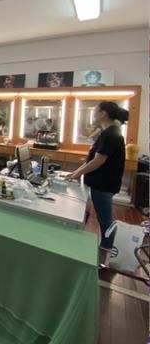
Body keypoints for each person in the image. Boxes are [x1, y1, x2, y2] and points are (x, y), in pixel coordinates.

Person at [66, 102, 127, 267]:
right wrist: (76, 172)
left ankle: (105, 253)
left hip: (103, 184)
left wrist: (78, 173)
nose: (93, 113)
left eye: (96, 110)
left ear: (103, 113)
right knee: (103, 218)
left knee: (105, 220)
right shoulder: (107, 132)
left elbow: (98, 161)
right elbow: (92, 159)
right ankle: (105, 250)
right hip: (100, 183)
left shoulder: (111, 134)